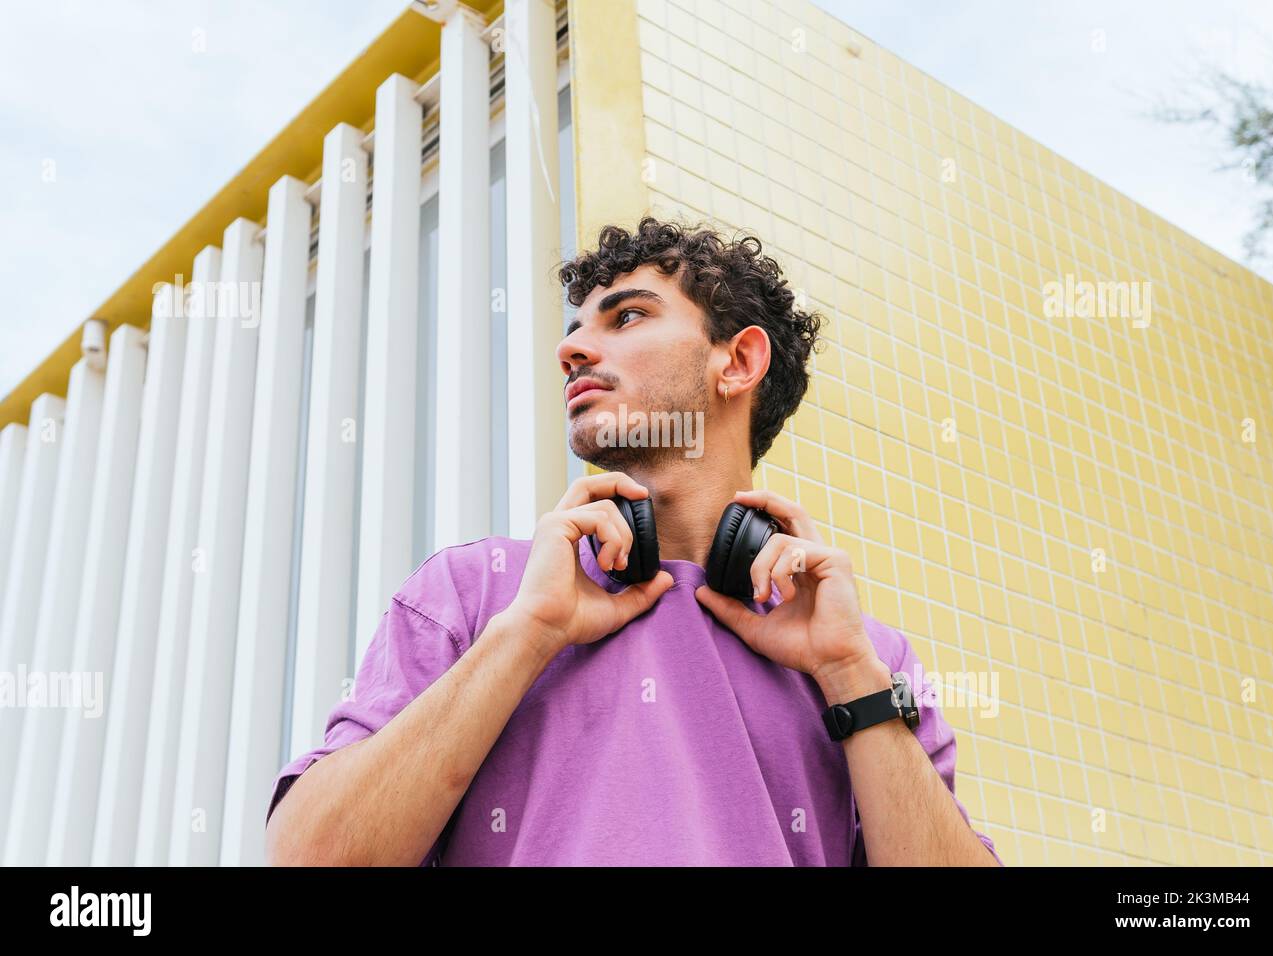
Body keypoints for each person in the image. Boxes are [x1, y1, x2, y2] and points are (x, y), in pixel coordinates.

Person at [265, 216, 1003, 866]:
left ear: (738, 362)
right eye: (574, 330)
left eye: (625, 318)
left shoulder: (867, 657)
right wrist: (528, 635)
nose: (573, 351)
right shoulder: (480, 592)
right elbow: (314, 858)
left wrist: (848, 675)